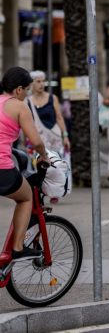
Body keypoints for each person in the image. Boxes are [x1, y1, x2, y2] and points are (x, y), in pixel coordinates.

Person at [0, 67, 50, 261]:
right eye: (27, 90)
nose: (27, 94)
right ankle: (18, 247)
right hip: (2, 168)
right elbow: (36, 142)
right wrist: (44, 156)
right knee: (26, 196)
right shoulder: (19, 106)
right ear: (19, 89)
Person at [25, 71, 69, 161]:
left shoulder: (52, 98)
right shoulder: (27, 102)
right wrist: (27, 142)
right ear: (32, 83)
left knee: (56, 165)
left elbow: (59, 118)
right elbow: (26, 124)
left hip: (54, 139)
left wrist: (65, 136)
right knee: (40, 169)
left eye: (43, 81)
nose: (41, 84)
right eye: (38, 81)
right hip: (37, 141)